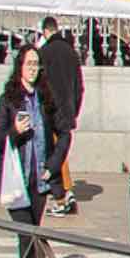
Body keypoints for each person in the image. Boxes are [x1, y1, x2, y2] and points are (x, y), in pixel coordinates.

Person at [0, 52, 54, 258]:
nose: (32, 68)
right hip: (16, 178)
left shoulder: (43, 98)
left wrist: (52, 168)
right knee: (26, 234)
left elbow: (56, 133)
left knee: (33, 234)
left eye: (35, 64)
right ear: (19, 67)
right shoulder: (9, 99)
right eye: (28, 63)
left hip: (38, 180)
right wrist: (14, 131)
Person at [35, 18, 80, 217]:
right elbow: (80, 87)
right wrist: (74, 110)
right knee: (60, 152)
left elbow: (39, 83)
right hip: (67, 110)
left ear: (45, 31)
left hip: (51, 111)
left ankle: (62, 198)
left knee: (53, 154)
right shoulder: (72, 53)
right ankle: (66, 192)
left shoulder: (44, 53)